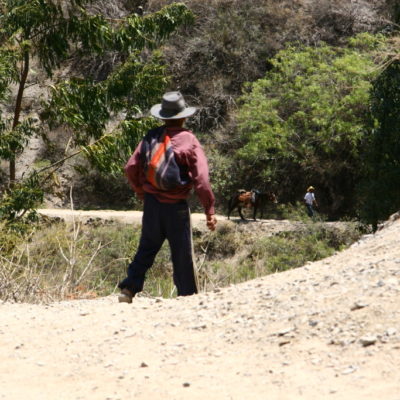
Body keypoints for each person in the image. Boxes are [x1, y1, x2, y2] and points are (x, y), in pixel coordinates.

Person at [118, 91, 217, 303]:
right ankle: (187, 297)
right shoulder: (189, 140)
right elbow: (201, 179)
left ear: (163, 116)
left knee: (146, 247)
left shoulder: (151, 136)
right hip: (177, 207)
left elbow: (131, 167)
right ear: (183, 116)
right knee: (181, 255)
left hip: (152, 204)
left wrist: (140, 191)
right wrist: (209, 210)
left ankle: (128, 290)